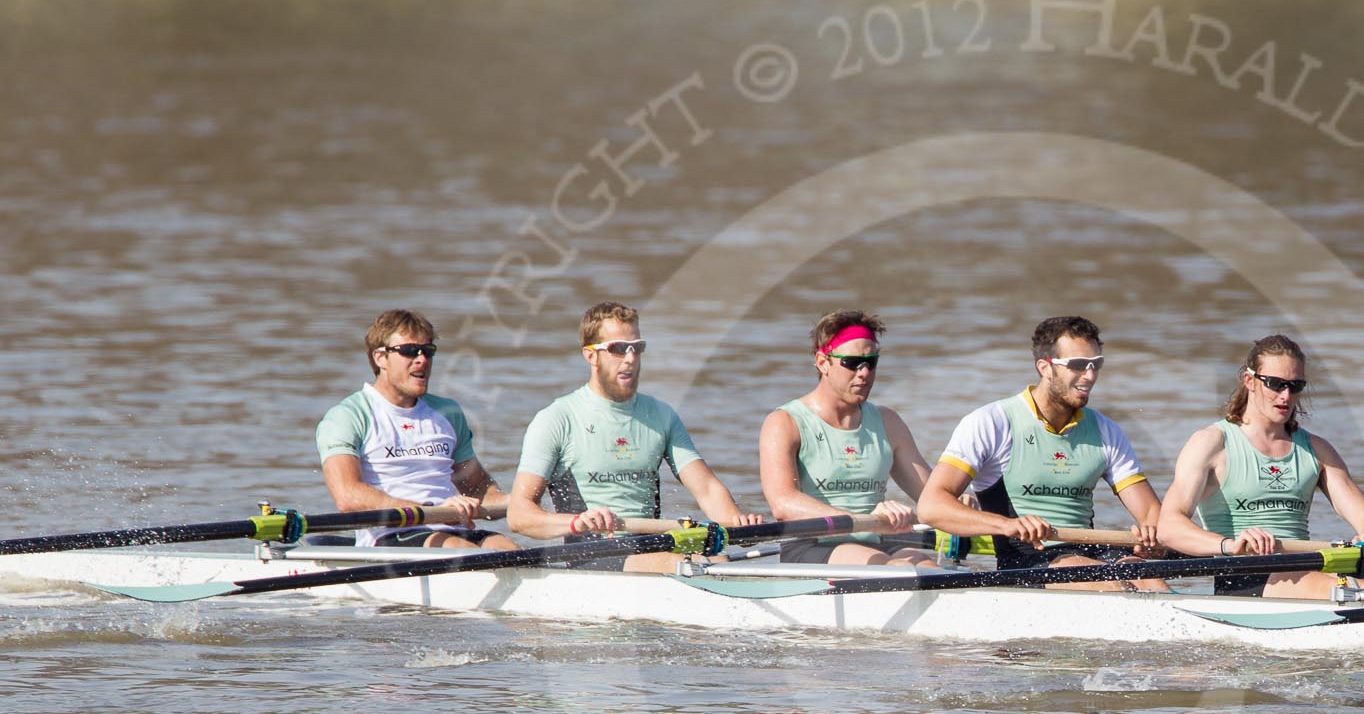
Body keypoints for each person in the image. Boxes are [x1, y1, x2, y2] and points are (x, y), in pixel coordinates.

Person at [914, 315, 1166, 592]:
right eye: (1078, 365)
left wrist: (1153, 540)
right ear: (1045, 367)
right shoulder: (993, 422)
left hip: (1090, 553)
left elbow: (1152, 514)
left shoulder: (1106, 431)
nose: (1090, 376)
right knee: (1114, 585)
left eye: (1096, 365)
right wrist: (1006, 524)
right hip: (1025, 563)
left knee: (1150, 579)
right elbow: (931, 507)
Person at [508, 300, 760, 573]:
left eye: (636, 348)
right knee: (693, 565)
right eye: (617, 349)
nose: (630, 358)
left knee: (718, 561)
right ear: (591, 355)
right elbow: (519, 515)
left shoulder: (661, 415)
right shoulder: (557, 419)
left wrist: (737, 524)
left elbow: (707, 489)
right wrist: (575, 522)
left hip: (651, 544)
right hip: (592, 552)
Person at [1157, 334, 1364, 598]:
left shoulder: (1318, 450)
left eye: (1296, 385)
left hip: (1305, 570)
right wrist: (1229, 545)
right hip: (1244, 577)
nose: (1286, 395)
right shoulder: (1211, 443)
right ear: (1249, 381)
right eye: (1276, 384)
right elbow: (1169, 527)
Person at [316, 309, 514, 549]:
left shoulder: (447, 413)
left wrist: (523, 500)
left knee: (507, 548)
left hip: (450, 528)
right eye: (409, 351)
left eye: (428, 351)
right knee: (461, 550)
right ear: (380, 358)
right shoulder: (347, 416)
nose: (422, 359)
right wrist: (431, 511)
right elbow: (347, 496)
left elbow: (480, 491)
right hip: (390, 535)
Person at [758, 311, 939, 567]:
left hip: (879, 539)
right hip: (812, 544)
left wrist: (959, 502)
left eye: (871, 362)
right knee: (895, 570)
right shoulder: (784, 423)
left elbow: (932, 498)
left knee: (928, 569)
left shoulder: (888, 422)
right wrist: (861, 519)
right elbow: (783, 503)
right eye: (852, 362)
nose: (864, 373)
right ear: (823, 362)